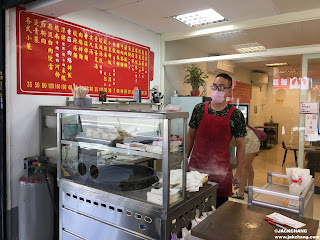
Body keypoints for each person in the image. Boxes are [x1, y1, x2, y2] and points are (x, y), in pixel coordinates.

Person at [187, 73, 246, 208]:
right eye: (214, 86)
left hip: (221, 173)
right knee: (193, 210)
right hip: (196, 171)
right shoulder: (199, 109)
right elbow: (190, 135)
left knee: (217, 213)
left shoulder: (236, 115)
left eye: (221, 87)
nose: (216, 90)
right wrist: (186, 158)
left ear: (229, 90)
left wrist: (239, 172)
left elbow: (241, 145)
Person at [231, 125, 260, 199]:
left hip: (250, 142)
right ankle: (249, 188)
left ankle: (240, 193)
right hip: (253, 140)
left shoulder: (229, 124)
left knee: (244, 167)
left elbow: (234, 142)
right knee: (248, 166)